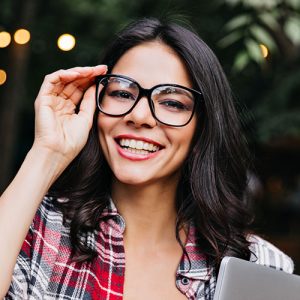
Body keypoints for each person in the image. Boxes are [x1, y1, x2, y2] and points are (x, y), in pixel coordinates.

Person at [0, 17, 293, 300]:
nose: (139, 116)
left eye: (172, 102)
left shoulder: (260, 267)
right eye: (122, 94)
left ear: (202, 128)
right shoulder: (34, 230)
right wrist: (47, 153)